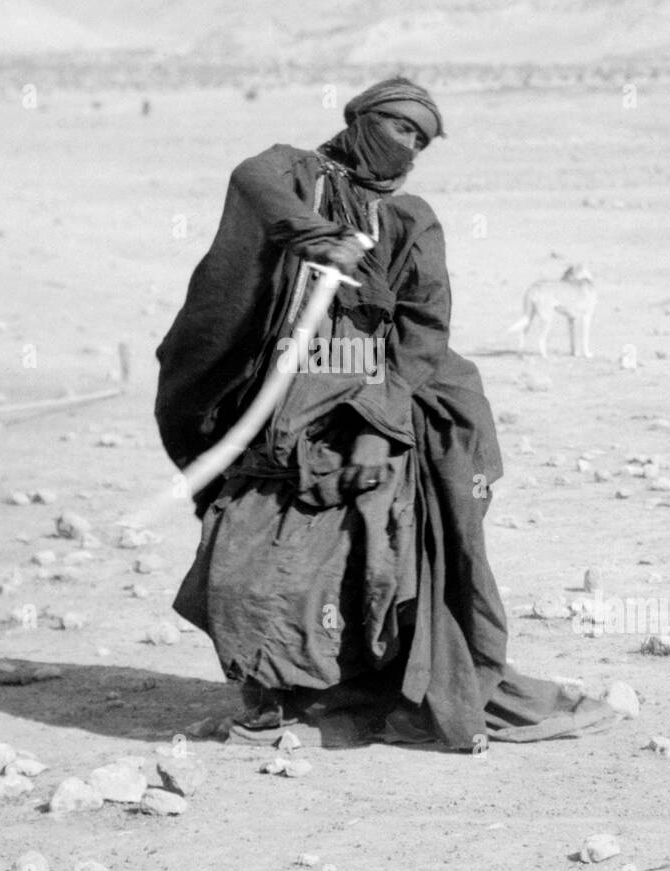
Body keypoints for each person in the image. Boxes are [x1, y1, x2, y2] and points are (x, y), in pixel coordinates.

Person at [154, 78, 623, 749]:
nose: (410, 145)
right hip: (279, 405)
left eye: (421, 139)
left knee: (379, 562)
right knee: (248, 561)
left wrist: (380, 421)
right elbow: (249, 178)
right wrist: (314, 235)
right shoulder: (295, 176)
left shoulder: (408, 219)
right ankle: (280, 695)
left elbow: (423, 330)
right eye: (401, 126)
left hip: (378, 404)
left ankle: (376, 691)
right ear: (358, 117)